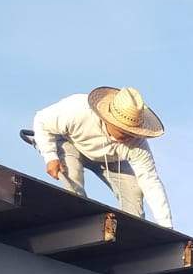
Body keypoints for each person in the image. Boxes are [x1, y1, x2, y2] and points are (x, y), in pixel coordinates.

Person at [28, 86, 173, 228]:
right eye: (123, 130)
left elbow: (150, 182)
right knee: (72, 177)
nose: (128, 136)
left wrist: (166, 226)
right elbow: (41, 120)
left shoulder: (137, 143)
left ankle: (129, 231)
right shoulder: (78, 110)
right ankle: (78, 221)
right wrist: (50, 156)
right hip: (69, 142)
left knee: (134, 189)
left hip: (111, 159)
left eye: (132, 132)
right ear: (108, 119)